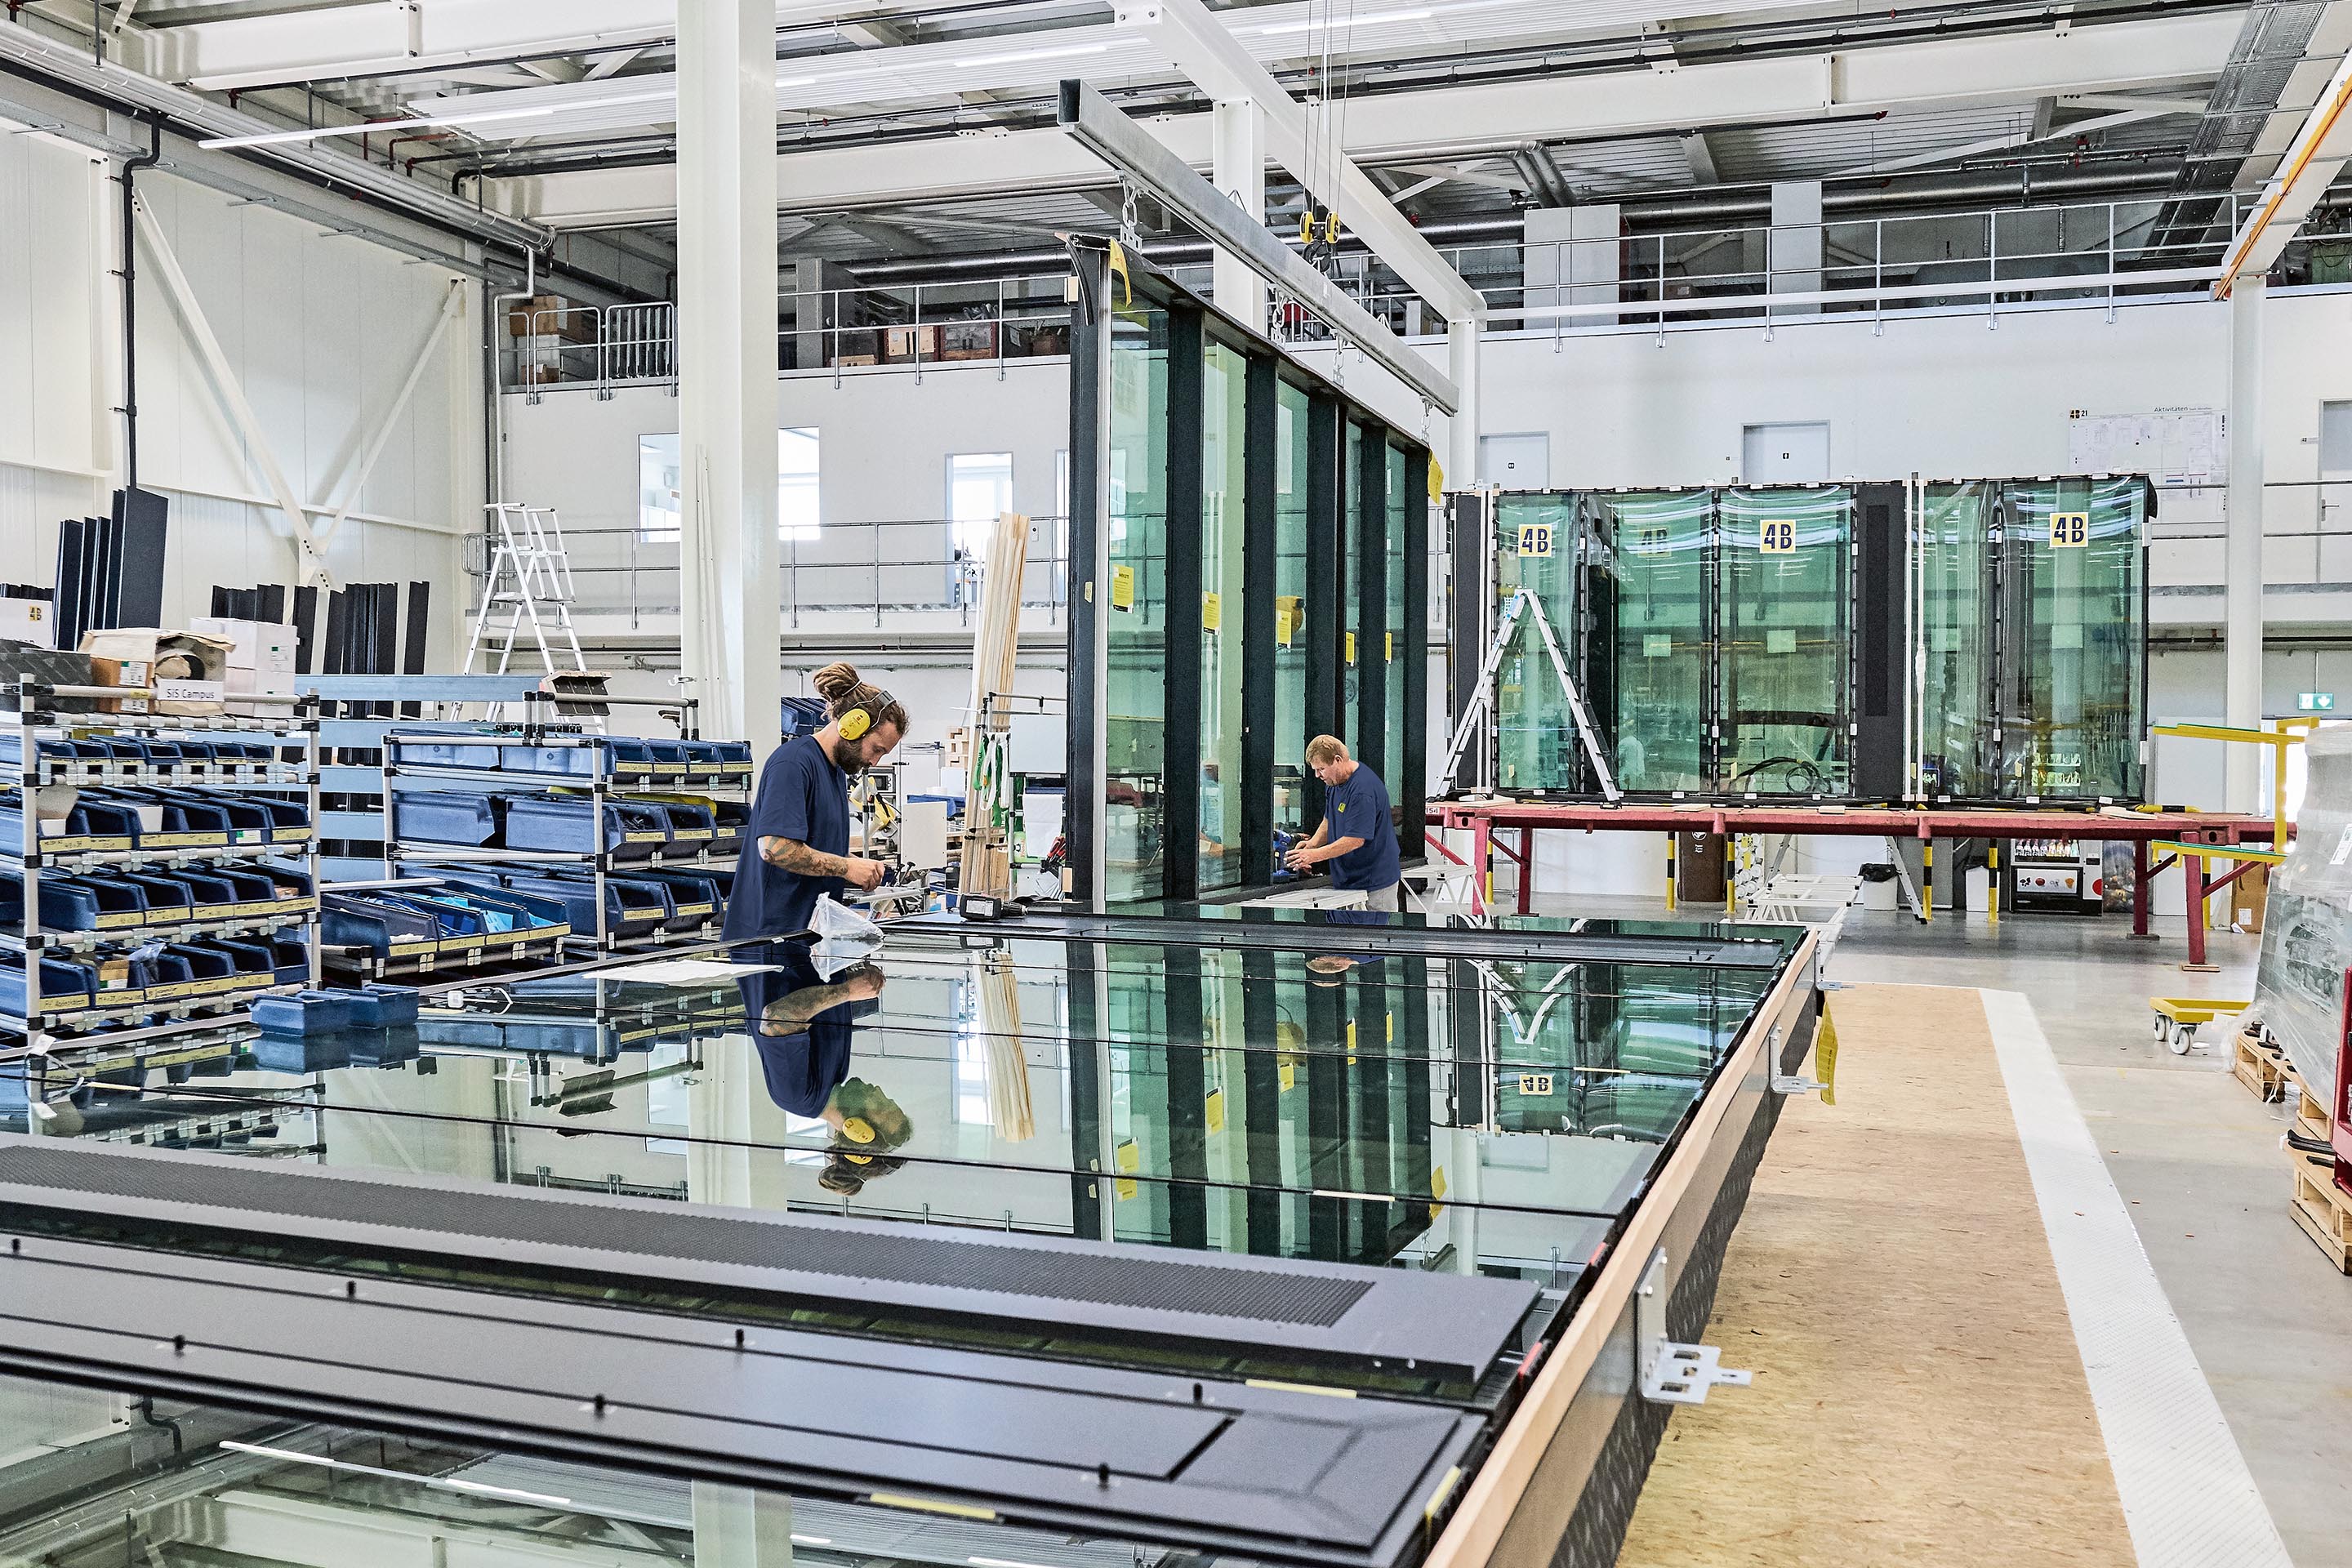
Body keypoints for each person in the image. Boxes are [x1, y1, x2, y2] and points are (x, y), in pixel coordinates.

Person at [723, 662, 908, 947]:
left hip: (807, 937)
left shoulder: (834, 771)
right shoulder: (794, 764)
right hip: (771, 943)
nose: (874, 762)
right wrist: (845, 867)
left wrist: (852, 863)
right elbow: (775, 848)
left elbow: (812, 844)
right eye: (877, 749)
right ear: (851, 726)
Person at [1282, 734, 1405, 911]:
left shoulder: (1362, 790)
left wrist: (1314, 856)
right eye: (1315, 770)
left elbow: (1355, 840)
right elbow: (1329, 819)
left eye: (1321, 769)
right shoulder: (1334, 782)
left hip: (1376, 876)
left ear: (1337, 760)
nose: (1317, 775)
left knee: (1378, 932)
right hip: (1351, 874)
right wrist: (1311, 846)